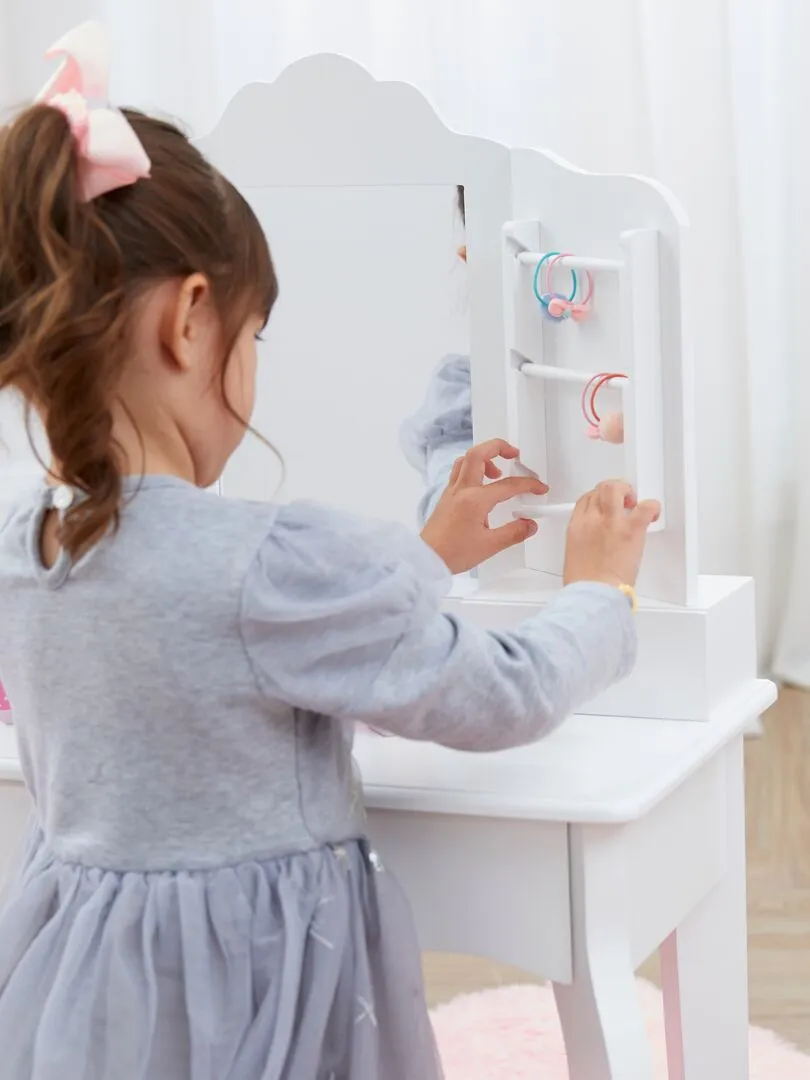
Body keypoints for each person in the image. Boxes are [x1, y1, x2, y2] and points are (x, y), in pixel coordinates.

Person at [0, 25, 660, 1080]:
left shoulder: (24, 547)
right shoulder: (263, 563)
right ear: (191, 321)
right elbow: (502, 695)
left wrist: (427, 559)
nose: (252, 363)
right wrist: (603, 594)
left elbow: (209, 649)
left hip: (89, 989)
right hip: (263, 991)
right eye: (255, 336)